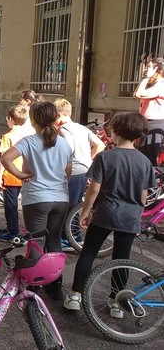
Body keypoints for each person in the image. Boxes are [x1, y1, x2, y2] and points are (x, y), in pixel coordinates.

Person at [63, 112, 155, 312]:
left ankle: (75, 296)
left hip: (106, 213)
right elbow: (143, 197)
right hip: (130, 217)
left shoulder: (105, 157)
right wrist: (136, 214)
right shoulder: (144, 161)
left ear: (117, 131)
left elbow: (94, 190)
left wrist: (85, 212)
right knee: (122, 259)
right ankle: (116, 301)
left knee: (88, 253)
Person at [0, 101, 72, 300]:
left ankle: (35, 285)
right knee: (54, 241)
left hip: (37, 199)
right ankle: (55, 285)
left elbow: (5, 158)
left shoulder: (29, 141)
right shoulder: (64, 142)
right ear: (55, 118)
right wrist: (59, 184)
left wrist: (21, 174)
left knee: (36, 242)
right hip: (60, 198)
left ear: (33, 120)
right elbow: (68, 171)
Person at [54, 98, 105, 249]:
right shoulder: (82, 128)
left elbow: (68, 149)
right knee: (75, 203)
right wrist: (88, 159)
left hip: (73, 171)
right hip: (85, 170)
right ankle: (73, 236)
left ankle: (69, 238)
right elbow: (100, 145)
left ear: (58, 115)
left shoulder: (63, 130)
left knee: (68, 204)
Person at [0, 105, 30, 241]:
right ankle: (17, 228)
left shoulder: (7, 136)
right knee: (25, 205)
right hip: (25, 173)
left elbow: (3, 159)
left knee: (10, 206)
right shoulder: (28, 136)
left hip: (11, 175)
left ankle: (13, 231)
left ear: (10, 119)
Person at [133, 57, 164, 166]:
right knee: (140, 155)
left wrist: (146, 77)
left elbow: (139, 94)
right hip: (144, 122)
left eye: (149, 68)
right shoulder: (153, 85)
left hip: (154, 124)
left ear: (158, 71)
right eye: (146, 68)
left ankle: (150, 181)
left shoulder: (161, 86)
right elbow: (135, 93)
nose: (146, 70)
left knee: (148, 159)